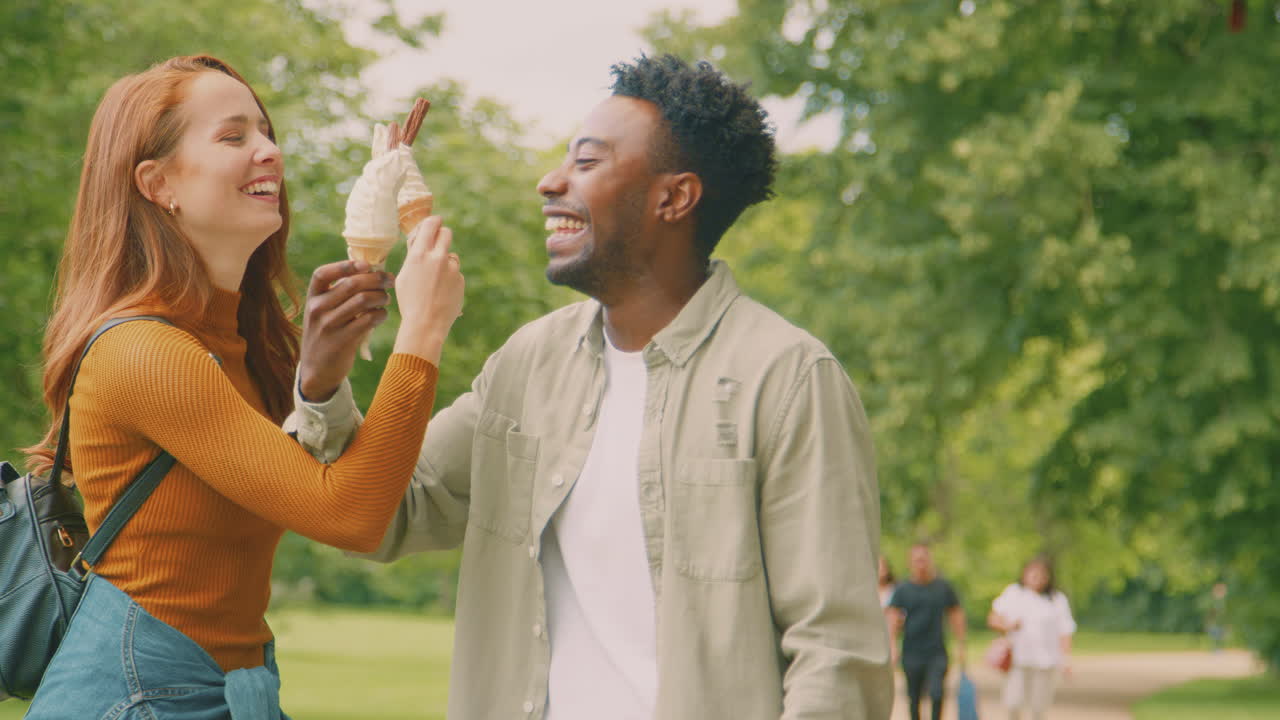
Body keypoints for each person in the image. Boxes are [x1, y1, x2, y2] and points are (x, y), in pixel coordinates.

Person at [289, 54, 892, 719]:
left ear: (675, 197)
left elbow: (835, 655)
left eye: (586, 162)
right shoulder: (528, 364)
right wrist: (322, 386)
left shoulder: (787, 381)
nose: (550, 183)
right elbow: (379, 515)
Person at [23, 55, 463, 718]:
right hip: (142, 696)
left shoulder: (239, 344)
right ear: (158, 182)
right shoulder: (145, 352)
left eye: (266, 133)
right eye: (234, 138)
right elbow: (350, 516)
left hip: (230, 687)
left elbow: (341, 488)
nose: (269, 153)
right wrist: (422, 332)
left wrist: (317, 382)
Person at [987, 555, 1076, 720]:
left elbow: (1065, 631)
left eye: (1041, 574)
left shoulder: (1057, 599)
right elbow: (993, 618)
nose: (1037, 577)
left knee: (1038, 707)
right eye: (1032, 573)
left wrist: (1066, 659)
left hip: (1046, 661)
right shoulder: (1014, 593)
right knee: (1013, 702)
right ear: (1024, 574)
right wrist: (1008, 626)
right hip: (1018, 659)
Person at [888, 543, 967, 720]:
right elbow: (892, 616)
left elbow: (956, 614)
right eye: (917, 560)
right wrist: (892, 645)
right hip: (911, 652)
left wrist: (961, 644)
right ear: (910, 563)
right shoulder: (902, 589)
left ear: (930, 561)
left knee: (937, 693)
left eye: (924, 559)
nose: (921, 563)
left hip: (937, 651)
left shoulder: (943, 587)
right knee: (913, 697)